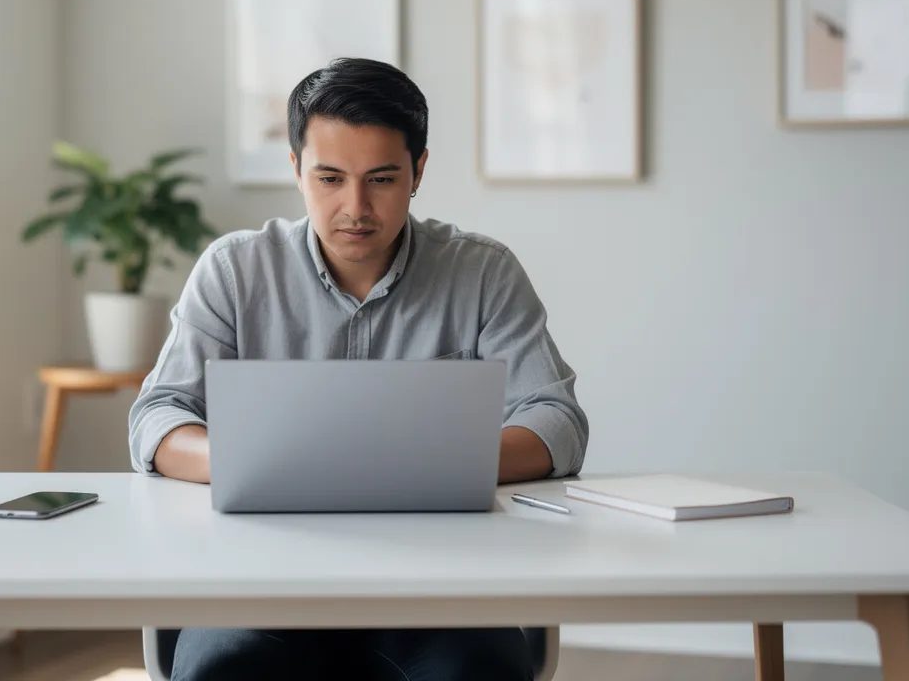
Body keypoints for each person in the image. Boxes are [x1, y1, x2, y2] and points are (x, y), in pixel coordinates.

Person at [128, 57, 589, 681]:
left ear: (418, 171)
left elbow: (557, 421)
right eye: (329, 178)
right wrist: (251, 464)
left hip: (440, 589)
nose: (356, 208)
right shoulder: (233, 270)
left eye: (381, 179)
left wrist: (436, 465)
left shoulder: (482, 273)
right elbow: (158, 417)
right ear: (294, 169)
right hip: (258, 581)